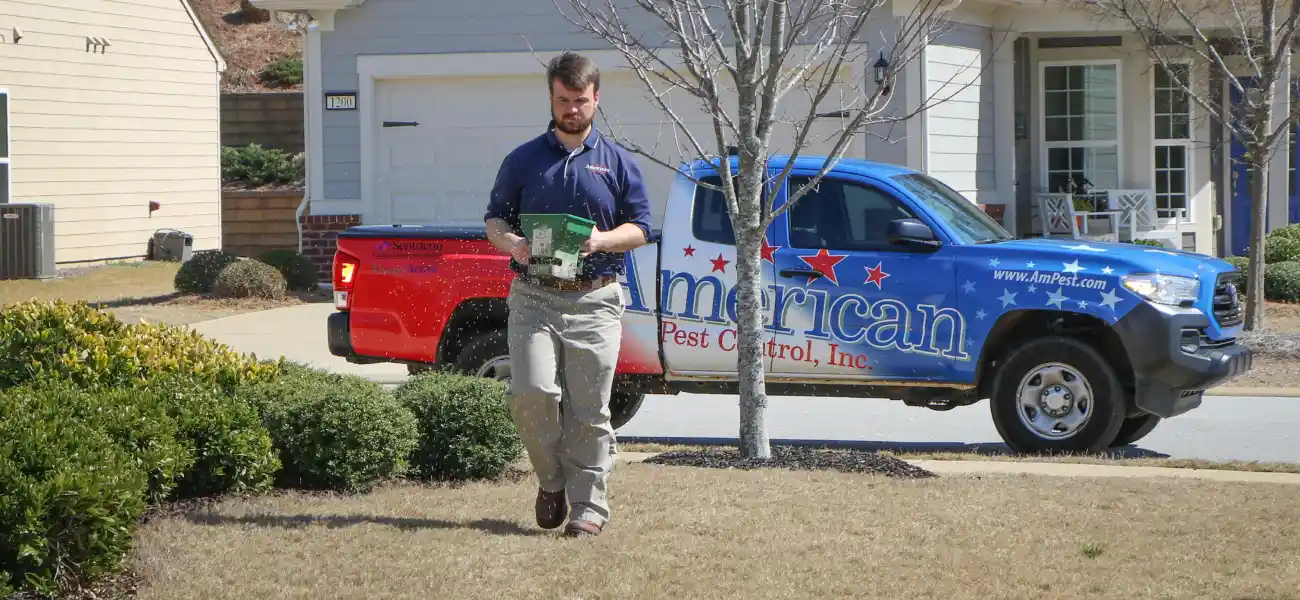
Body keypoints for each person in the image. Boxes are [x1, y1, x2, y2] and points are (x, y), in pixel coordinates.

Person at [483, 51, 653, 537]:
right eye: (563, 100)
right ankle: (552, 482)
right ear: (551, 98)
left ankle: (588, 507)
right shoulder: (522, 160)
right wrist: (512, 243)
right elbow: (494, 219)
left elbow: (641, 227)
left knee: (589, 407)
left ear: (596, 99)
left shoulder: (619, 164)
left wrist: (601, 240)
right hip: (534, 296)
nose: (572, 109)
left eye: (581, 100)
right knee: (532, 392)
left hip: (596, 299)